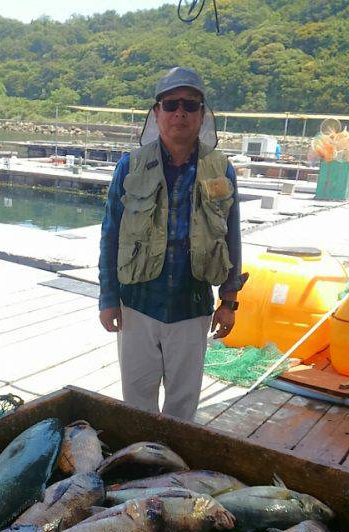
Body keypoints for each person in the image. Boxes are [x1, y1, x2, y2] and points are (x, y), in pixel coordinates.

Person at [98, 66, 246, 421]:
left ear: (202, 114)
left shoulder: (221, 169)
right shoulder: (129, 167)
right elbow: (110, 235)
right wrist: (107, 298)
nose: (180, 112)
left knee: (182, 409)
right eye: (171, 104)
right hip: (137, 304)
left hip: (192, 306)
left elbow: (233, 236)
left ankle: (174, 473)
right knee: (136, 405)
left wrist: (229, 301)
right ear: (156, 113)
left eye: (190, 105)